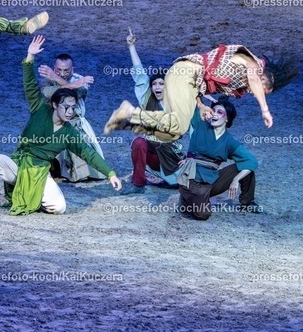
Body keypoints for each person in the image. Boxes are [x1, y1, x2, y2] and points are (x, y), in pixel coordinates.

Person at [0, 36, 122, 216]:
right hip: (19, 164)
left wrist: (111, 174)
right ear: (54, 105)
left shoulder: (69, 132)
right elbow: (29, 85)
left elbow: (88, 153)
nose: (70, 112)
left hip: (39, 172)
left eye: (72, 108)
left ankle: (29, 193)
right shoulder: (39, 108)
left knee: (59, 207)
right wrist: (30, 56)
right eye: (66, 107)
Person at [104, 43, 298, 143]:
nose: (255, 93)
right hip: (184, 73)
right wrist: (265, 110)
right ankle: (130, 112)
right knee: (178, 123)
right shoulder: (252, 64)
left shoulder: (241, 79)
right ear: (264, 78)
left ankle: (128, 121)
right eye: (262, 91)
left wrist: (201, 105)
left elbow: (199, 86)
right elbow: (254, 79)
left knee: (173, 133)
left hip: (189, 83)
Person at [121, 29, 184, 194]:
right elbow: (139, 74)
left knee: (181, 183)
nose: (157, 87)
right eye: (154, 84)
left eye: (161, 84)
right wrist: (131, 47)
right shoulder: (147, 100)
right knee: (138, 143)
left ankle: (165, 177)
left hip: (170, 156)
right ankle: (138, 183)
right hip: (153, 155)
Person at [177, 99, 260, 220]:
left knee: (246, 169)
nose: (214, 114)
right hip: (192, 179)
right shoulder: (200, 124)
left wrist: (236, 179)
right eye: (213, 110)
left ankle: (247, 203)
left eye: (219, 112)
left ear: (227, 119)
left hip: (211, 180)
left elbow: (251, 161)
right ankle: (187, 200)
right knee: (203, 214)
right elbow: (191, 99)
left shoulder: (229, 141)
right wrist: (201, 100)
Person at [38, 53, 106, 182]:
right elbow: (50, 93)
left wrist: (57, 79)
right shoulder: (46, 81)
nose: (62, 74)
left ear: (72, 69)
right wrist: (70, 83)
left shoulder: (80, 79)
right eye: (58, 70)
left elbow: (75, 94)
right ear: (54, 68)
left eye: (66, 71)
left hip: (75, 123)